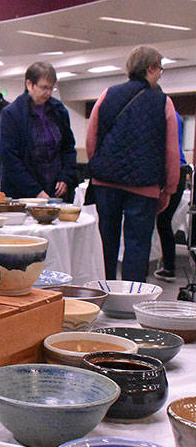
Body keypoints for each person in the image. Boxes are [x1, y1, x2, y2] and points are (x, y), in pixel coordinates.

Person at [86, 45, 179, 282]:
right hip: (144, 185)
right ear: (150, 68)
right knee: (137, 245)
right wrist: (169, 188)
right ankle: (132, 301)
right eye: (160, 69)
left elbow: (92, 138)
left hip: (105, 182)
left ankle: (102, 292)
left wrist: (97, 168)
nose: (160, 74)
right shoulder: (163, 102)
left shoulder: (107, 95)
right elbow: (171, 150)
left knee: (106, 240)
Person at [0, 62, 77, 199]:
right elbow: (10, 158)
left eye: (51, 88)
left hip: (54, 187)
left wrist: (65, 177)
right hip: (21, 191)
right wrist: (35, 191)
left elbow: (68, 148)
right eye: (43, 87)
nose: (48, 93)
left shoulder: (58, 110)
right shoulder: (12, 113)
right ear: (29, 84)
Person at [155, 113, 192, 282]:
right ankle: (167, 265)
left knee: (161, 221)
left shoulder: (162, 114)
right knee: (164, 221)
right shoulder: (176, 115)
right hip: (180, 168)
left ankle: (167, 267)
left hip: (171, 170)